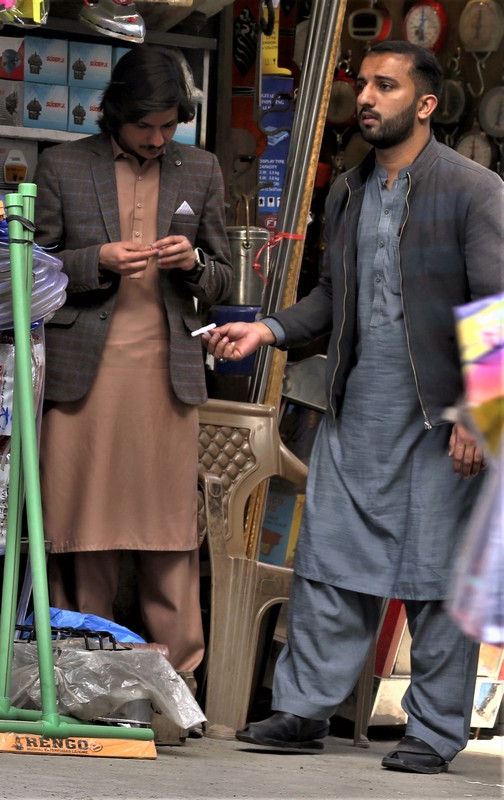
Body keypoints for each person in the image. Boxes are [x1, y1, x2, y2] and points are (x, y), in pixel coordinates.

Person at [205, 41, 502, 774]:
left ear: (425, 104)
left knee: (436, 578)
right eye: (363, 84)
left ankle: (433, 733)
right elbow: (335, 299)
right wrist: (268, 329)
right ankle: (304, 711)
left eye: (386, 86)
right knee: (329, 562)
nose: (366, 97)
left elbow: (498, 312)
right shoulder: (347, 189)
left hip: (443, 420)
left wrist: (479, 415)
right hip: (356, 406)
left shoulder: (473, 189)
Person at [33, 45, 233, 685]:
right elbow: (31, 268)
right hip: (84, 373)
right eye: (145, 126)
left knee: (170, 529)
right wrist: (97, 261)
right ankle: (74, 672)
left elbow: (225, 276)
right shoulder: (63, 166)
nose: (156, 138)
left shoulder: (199, 170)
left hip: (166, 375)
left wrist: (194, 265)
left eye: (168, 127)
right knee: (80, 525)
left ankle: (180, 680)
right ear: (115, 113)